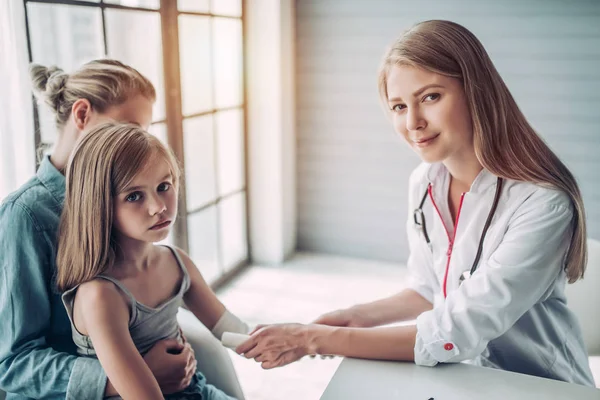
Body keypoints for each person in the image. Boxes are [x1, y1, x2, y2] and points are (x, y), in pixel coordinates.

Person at [236, 20, 596, 387]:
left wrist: (312, 339)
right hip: (464, 379)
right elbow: (430, 288)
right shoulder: (424, 183)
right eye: (397, 106)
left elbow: (456, 330)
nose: (413, 122)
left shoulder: (544, 203)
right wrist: (354, 317)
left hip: (544, 386)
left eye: (430, 97)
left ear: (477, 91)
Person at [0, 60, 241, 399]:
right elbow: (13, 363)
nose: (135, 143)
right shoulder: (24, 215)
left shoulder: (161, 245)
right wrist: (126, 377)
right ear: (82, 115)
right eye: (128, 126)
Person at [56, 122, 245, 400]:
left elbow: (234, 333)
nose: (159, 207)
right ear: (100, 205)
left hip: (195, 390)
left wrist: (308, 340)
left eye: (163, 186)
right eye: (134, 196)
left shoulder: (176, 262)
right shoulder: (101, 295)